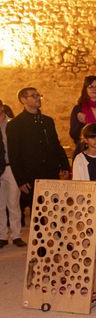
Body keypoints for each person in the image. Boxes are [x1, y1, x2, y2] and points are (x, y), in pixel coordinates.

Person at [7, 87, 70, 212]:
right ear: (23, 99)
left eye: (38, 95)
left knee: (56, 209)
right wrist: (21, 180)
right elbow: (14, 155)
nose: (37, 98)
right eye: (33, 96)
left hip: (51, 172)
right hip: (31, 176)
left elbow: (56, 145)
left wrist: (65, 166)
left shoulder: (48, 121)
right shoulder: (15, 125)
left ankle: (56, 232)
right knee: (38, 213)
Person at [0, 99, 24, 247]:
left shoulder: (13, 125)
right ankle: (2, 236)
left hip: (11, 167)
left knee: (13, 203)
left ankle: (16, 235)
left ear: (1, 107)